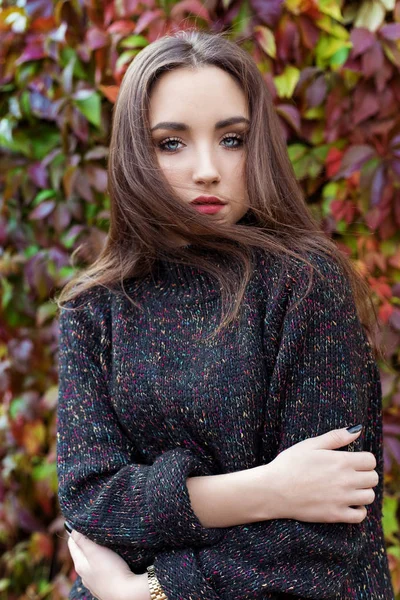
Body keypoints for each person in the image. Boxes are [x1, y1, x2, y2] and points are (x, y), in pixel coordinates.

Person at [55, 29, 394, 600]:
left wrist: (149, 591)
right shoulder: (94, 308)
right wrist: (268, 488)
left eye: (232, 139)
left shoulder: (305, 282)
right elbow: (92, 501)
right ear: (135, 151)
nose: (207, 169)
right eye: (171, 143)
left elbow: (327, 532)